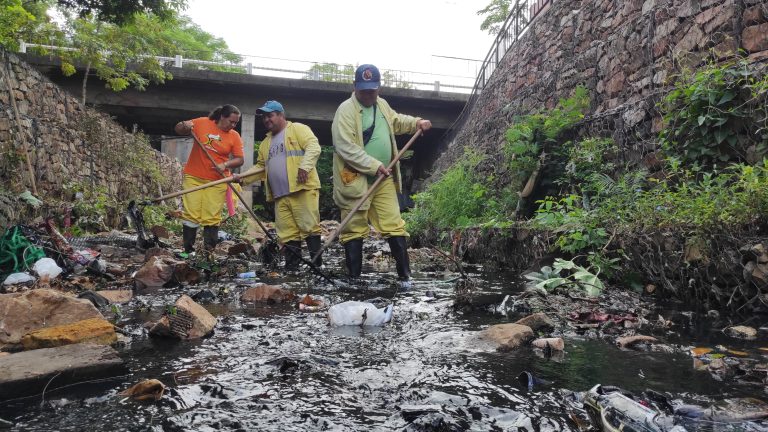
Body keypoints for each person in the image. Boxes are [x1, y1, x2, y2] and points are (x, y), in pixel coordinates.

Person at [331, 64, 432, 288]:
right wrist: (373, 165)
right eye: (364, 90)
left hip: (383, 177)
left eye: (372, 90)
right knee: (353, 227)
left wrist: (416, 122)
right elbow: (344, 146)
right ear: (355, 86)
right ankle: (354, 281)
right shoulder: (345, 111)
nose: (368, 94)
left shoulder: (382, 105)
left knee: (394, 224)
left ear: (379, 88)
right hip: (355, 178)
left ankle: (405, 278)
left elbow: (396, 121)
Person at [237, 100, 323, 270]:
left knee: (309, 228)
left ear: (281, 115)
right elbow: (260, 167)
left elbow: (314, 147)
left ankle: (317, 268)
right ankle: (293, 270)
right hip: (280, 195)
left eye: (270, 115)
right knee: (288, 234)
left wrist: (304, 166)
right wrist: (242, 178)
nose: (266, 120)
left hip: (302, 189)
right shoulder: (265, 143)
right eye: (264, 117)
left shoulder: (298, 129)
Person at [174, 104, 244, 253]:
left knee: (212, 215)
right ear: (222, 117)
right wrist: (183, 125)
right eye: (231, 121)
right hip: (194, 176)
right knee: (191, 214)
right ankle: (188, 251)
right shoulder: (202, 122)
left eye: (236, 123)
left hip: (217, 180)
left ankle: (208, 252)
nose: (233, 125)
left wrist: (225, 164)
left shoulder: (234, 136)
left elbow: (239, 159)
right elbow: (179, 129)